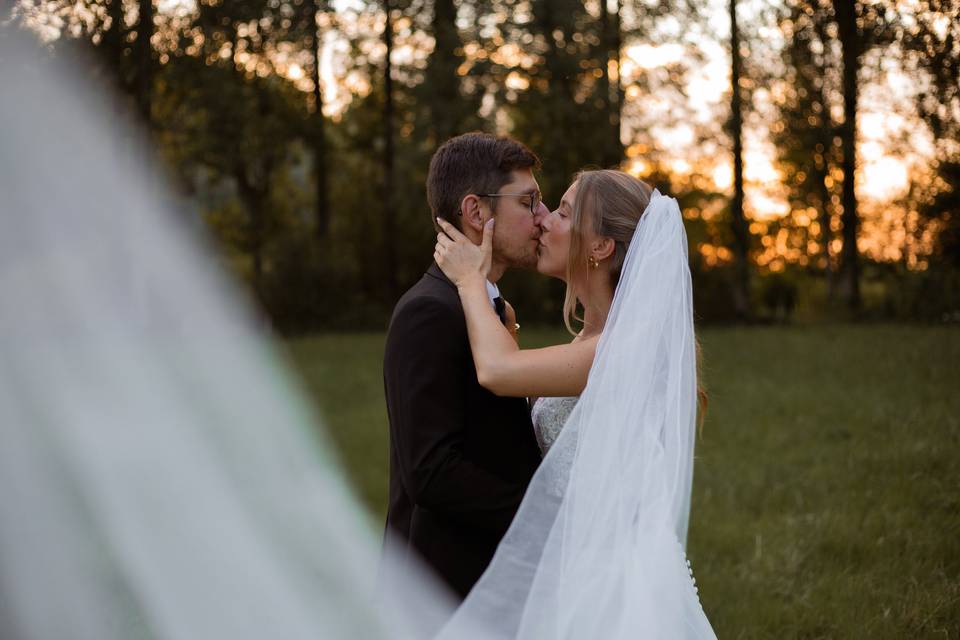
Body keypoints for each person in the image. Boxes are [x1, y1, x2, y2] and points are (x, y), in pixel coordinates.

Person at [433, 170, 717, 638]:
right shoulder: (595, 338)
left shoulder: (622, 347)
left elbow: (498, 372)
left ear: (601, 247)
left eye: (563, 211)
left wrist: (469, 281)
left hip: (611, 580)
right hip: (577, 563)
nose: (542, 218)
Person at [382, 132, 549, 600]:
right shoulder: (429, 312)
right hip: (442, 590)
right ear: (477, 212)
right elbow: (430, 470)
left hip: (495, 579)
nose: (542, 216)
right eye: (529, 201)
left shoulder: (488, 308)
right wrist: (539, 518)